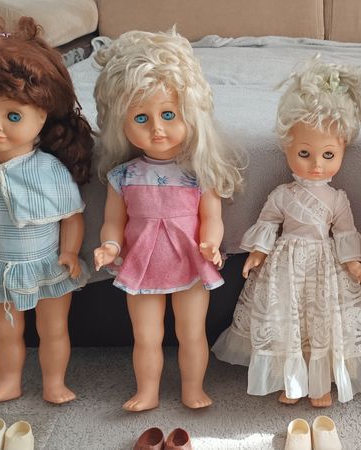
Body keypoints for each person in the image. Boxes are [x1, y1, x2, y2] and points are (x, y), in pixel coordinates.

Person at [212, 57, 361, 407]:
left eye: (328, 154)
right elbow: (268, 222)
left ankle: (321, 385)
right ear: (287, 148)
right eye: (305, 153)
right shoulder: (282, 194)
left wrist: (352, 263)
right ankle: (290, 380)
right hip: (286, 267)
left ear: (343, 149)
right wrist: (257, 253)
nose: (317, 164)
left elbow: (344, 232)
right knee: (287, 321)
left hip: (324, 266)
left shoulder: (337, 198)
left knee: (323, 321)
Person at [0, 16, 93, 405]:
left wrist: (70, 252)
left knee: (53, 328)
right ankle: (9, 381)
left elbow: (71, 216)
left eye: (13, 116)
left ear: (42, 114)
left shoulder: (49, 170)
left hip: (47, 265)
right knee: (4, 330)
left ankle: (54, 383)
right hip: (0, 265)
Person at [91, 29, 243, 411]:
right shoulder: (123, 176)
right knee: (146, 336)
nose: (157, 128)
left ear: (190, 114)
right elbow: (113, 221)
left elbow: (212, 217)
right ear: (121, 124)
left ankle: (193, 389)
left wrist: (211, 242)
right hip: (141, 264)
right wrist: (109, 245)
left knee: (192, 333)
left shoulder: (198, 173)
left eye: (168, 115)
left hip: (189, 261)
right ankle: (147, 391)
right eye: (141, 118)